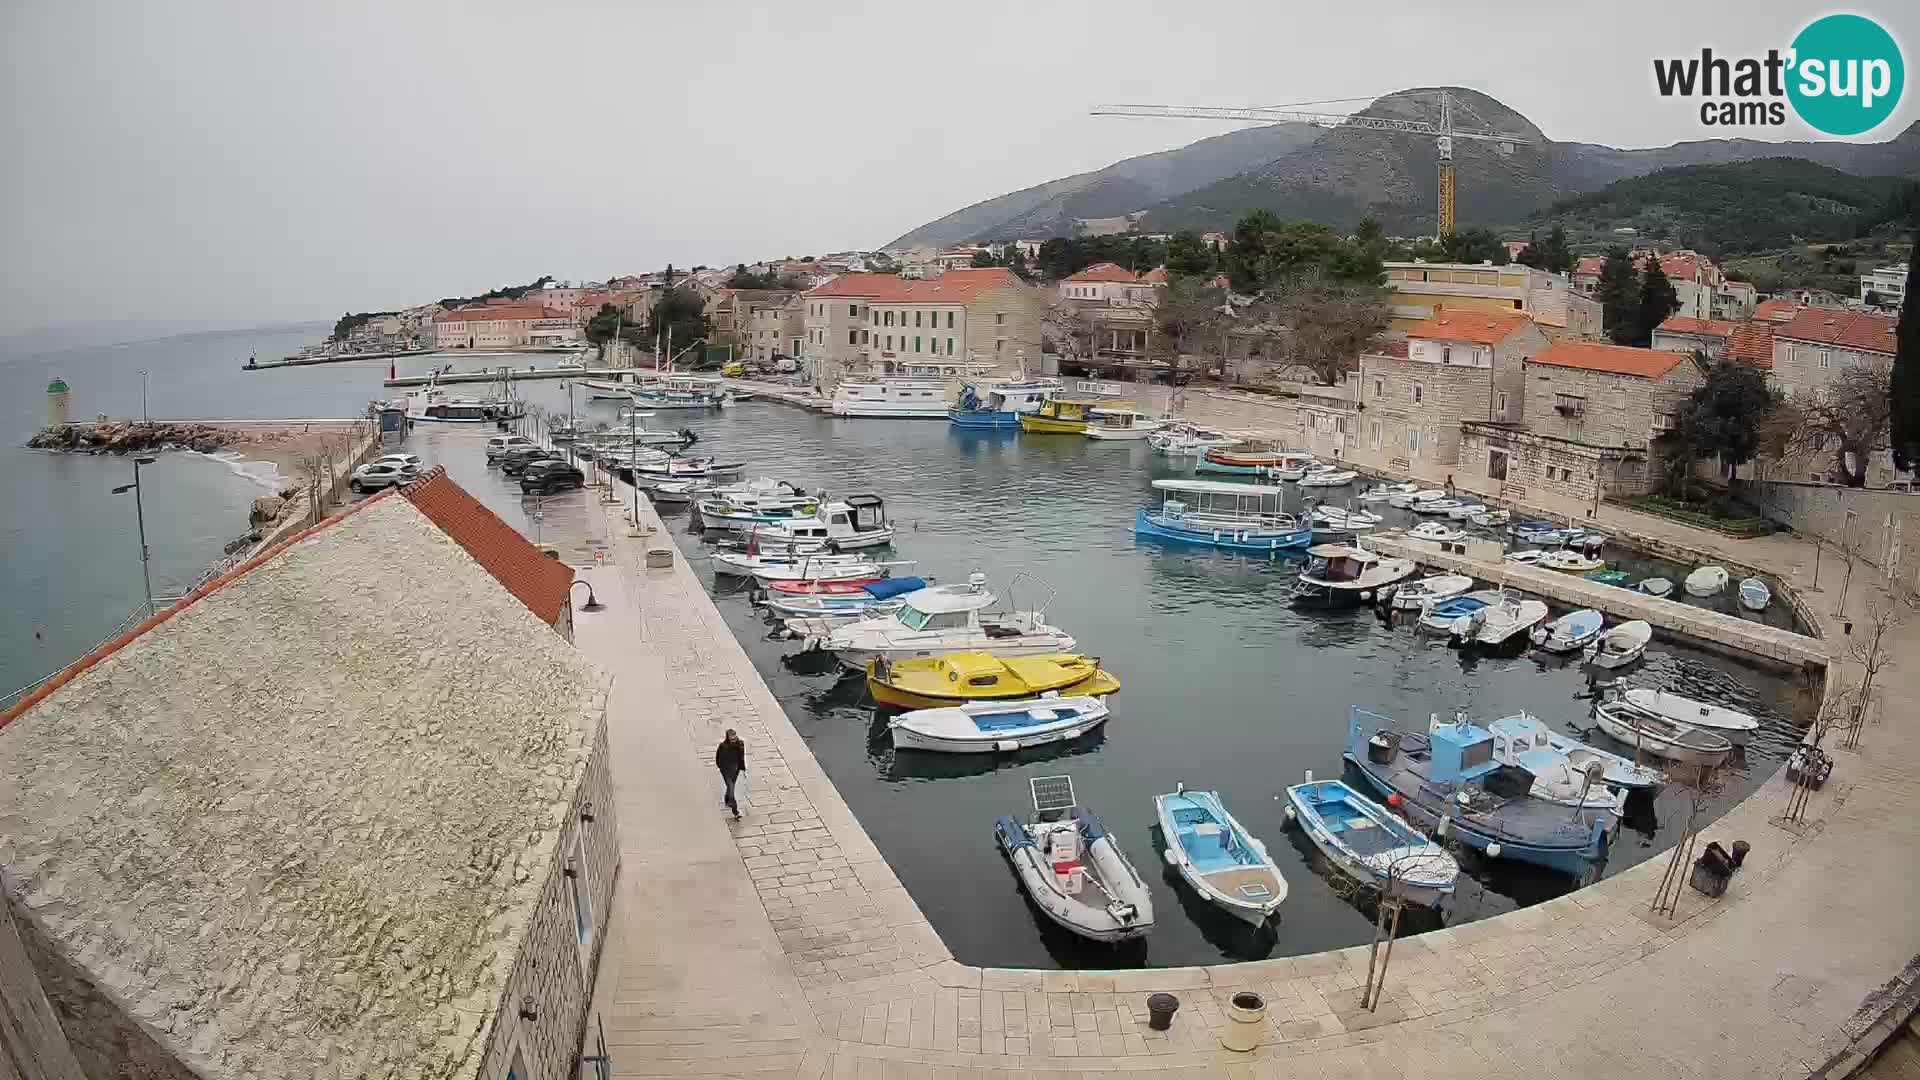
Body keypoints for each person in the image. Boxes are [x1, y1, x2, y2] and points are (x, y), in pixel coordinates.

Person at [715, 729, 746, 819]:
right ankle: (735, 811)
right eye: (731, 739)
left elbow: (741, 757)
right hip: (726, 771)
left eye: (734, 738)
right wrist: (721, 767)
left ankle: (727, 798)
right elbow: (718, 758)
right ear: (728, 738)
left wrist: (742, 767)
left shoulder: (740, 744)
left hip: (735, 770)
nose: (733, 740)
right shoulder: (723, 746)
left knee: (730, 787)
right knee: (731, 788)